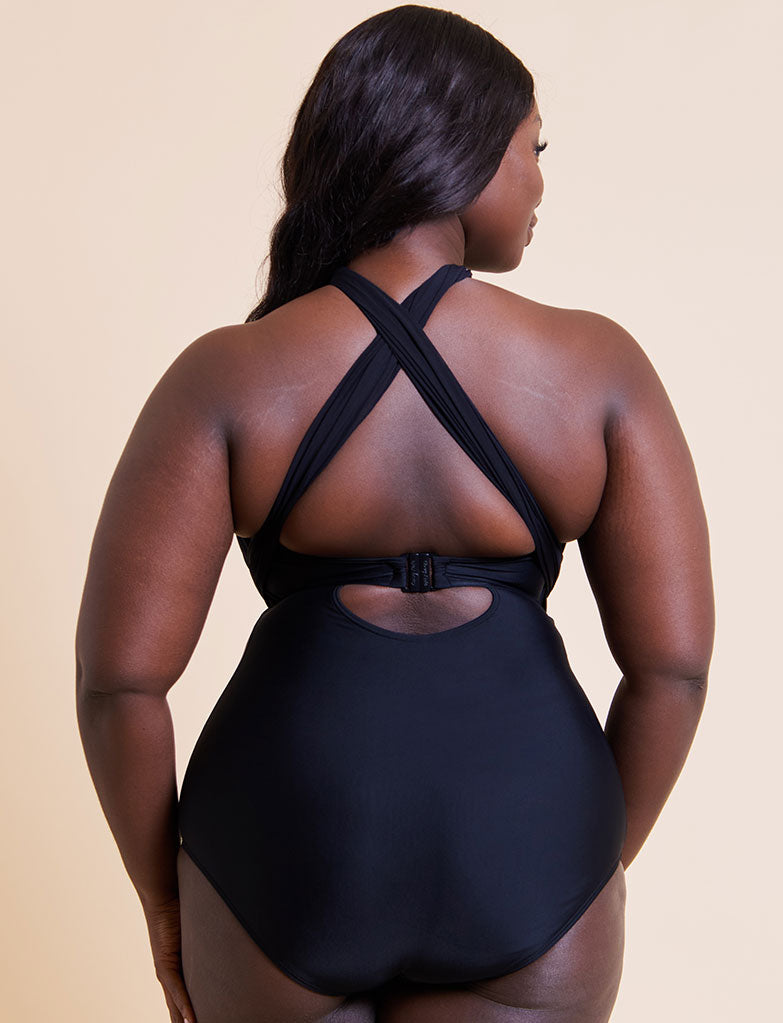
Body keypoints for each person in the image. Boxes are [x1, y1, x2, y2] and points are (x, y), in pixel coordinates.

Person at [75, 5, 715, 1022]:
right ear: (460, 153)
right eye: (532, 148)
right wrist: (581, 863)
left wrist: (163, 902)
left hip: (278, 857)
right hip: (529, 843)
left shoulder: (226, 376)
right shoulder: (597, 368)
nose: (540, 182)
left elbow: (121, 684)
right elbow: (672, 671)